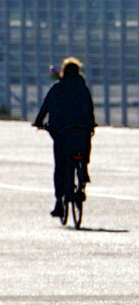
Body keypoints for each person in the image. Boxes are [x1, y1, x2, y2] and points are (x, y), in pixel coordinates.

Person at [33, 58, 95, 223]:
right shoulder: (83, 89)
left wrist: (39, 123)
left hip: (61, 131)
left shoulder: (57, 88)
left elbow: (45, 107)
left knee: (60, 164)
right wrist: (91, 124)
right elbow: (89, 109)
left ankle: (59, 202)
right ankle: (83, 171)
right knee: (83, 146)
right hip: (81, 130)